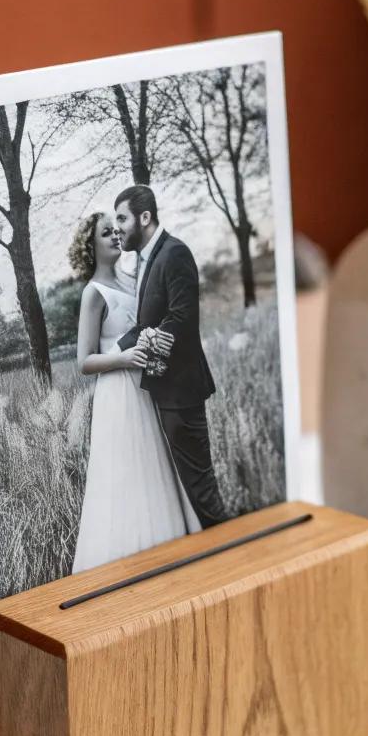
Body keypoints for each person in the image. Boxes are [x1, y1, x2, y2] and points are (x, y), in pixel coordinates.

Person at [71, 210, 198, 572]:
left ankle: (170, 545)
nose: (115, 236)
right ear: (91, 245)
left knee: (160, 460)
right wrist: (124, 357)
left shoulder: (136, 280)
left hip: (149, 385)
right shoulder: (93, 294)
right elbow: (83, 361)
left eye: (117, 230)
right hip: (119, 390)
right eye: (106, 233)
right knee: (127, 470)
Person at [113, 184, 227, 530]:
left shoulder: (174, 253)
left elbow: (181, 318)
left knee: (201, 490)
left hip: (181, 391)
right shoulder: (150, 258)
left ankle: (230, 552)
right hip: (167, 392)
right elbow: (147, 323)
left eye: (122, 217)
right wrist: (109, 356)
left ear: (144, 217)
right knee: (191, 492)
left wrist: (146, 343)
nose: (117, 226)